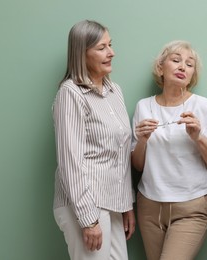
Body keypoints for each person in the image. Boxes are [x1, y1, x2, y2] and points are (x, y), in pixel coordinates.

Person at [131, 40, 207, 260]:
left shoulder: (201, 106)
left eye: (189, 64)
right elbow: (137, 165)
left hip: (191, 206)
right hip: (149, 205)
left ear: (193, 75)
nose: (183, 67)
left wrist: (198, 137)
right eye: (176, 60)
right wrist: (143, 140)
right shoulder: (143, 107)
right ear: (160, 68)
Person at [52, 20, 135, 260]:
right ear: (82, 53)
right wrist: (88, 219)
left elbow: (120, 153)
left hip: (113, 202)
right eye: (101, 47)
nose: (111, 53)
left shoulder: (114, 90)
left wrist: (126, 203)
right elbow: (70, 162)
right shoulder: (71, 93)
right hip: (84, 205)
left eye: (110, 45)